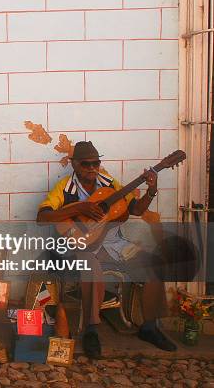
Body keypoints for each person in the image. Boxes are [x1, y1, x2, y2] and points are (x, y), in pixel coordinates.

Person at [36, 141, 176, 358]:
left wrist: (152, 189)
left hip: (113, 244)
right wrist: (81, 207)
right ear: (74, 164)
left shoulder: (109, 183)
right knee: (91, 266)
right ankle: (92, 329)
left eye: (96, 163)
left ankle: (149, 327)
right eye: (86, 164)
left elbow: (136, 210)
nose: (92, 168)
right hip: (81, 246)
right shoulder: (65, 187)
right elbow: (43, 217)